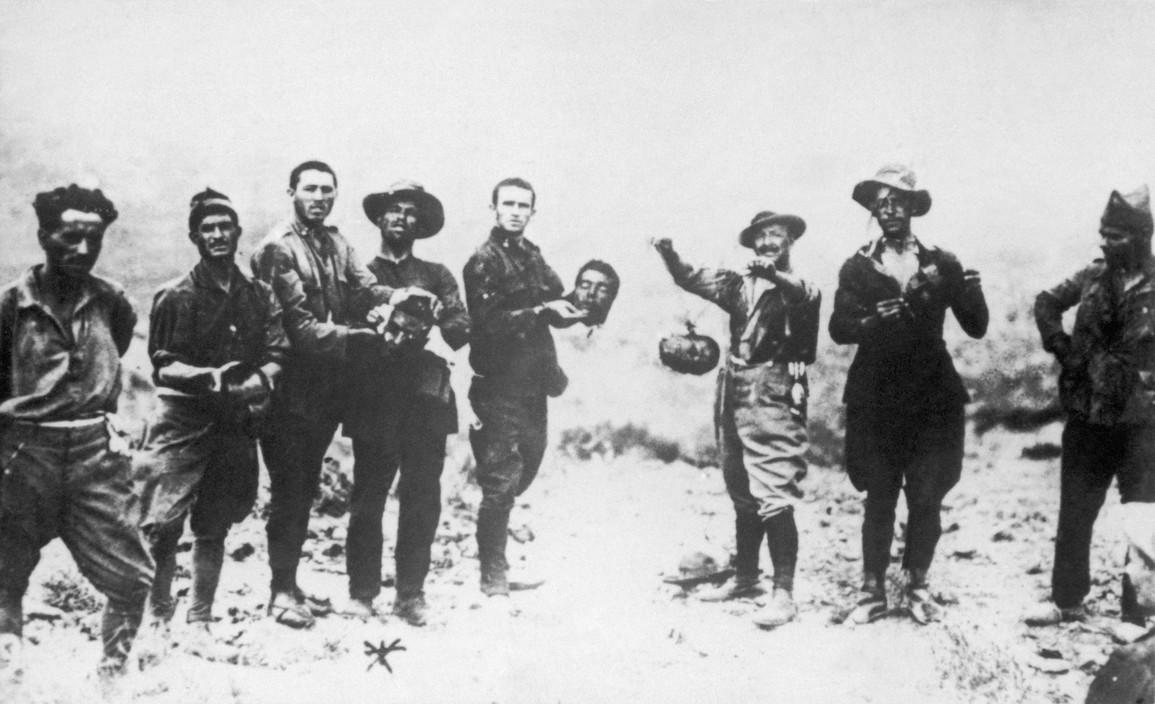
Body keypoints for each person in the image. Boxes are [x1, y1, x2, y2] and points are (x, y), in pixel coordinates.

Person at [251, 161, 418, 628]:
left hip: (324, 391)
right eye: (310, 189)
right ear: (291, 192)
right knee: (289, 490)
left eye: (327, 190)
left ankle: (291, 585)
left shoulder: (337, 243)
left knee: (304, 487)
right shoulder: (277, 249)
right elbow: (299, 328)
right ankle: (280, 591)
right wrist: (362, 336)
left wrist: (397, 297)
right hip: (288, 388)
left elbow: (366, 287)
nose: (319, 197)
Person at [0, 185, 153, 677]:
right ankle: (9, 673)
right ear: (44, 236)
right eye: (70, 237)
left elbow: (116, 348)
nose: (83, 249)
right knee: (5, 571)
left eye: (94, 239)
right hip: (25, 452)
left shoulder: (111, 301)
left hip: (94, 454)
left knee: (131, 577)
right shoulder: (10, 306)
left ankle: (110, 680)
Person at [829, 164, 988, 624]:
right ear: (873, 211)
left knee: (926, 494)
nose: (889, 209)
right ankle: (872, 591)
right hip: (876, 394)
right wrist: (871, 321)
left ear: (914, 207)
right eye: (880, 203)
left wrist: (972, 290)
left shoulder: (942, 263)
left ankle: (918, 585)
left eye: (898, 201)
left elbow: (976, 326)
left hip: (932, 395)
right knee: (879, 494)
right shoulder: (859, 266)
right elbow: (838, 328)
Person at [136, 188, 288, 655]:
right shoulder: (175, 296)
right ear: (195, 237)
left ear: (238, 234)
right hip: (183, 420)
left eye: (225, 227)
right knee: (162, 523)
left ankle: (200, 623)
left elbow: (278, 351)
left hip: (235, 421)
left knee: (214, 523)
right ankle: (157, 619)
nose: (218, 235)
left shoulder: (259, 294)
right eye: (208, 228)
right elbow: (163, 364)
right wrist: (211, 378)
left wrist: (256, 382)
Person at [654, 209, 821, 629]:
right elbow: (691, 277)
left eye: (775, 235)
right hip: (733, 390)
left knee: (774, 490)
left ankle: (784, 594)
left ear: (790, 241)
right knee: (741, 486)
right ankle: (746, 578)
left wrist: (774, 275)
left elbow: (801, 293)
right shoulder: (737, 285)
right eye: (760, 236)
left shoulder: (801, 288)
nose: (767, 243)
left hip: (776, 392)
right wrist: (669, 253)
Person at [1025, 185, 1155, 628]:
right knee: (1076, 511)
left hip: (1142, 421)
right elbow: (1046, 303)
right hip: (1089, 413)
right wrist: (1064, 349)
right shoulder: (1092, 275)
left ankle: (1136, 616)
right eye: (1103, 234)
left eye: (1116, 236)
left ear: (1142, 237)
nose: (1105, 243)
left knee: (1143, 517)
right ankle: (1066, 601)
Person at [341, 181, 470, 626]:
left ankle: (411, 594)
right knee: (368, 497)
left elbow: (460, 326)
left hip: (427, 400)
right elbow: (349, 322)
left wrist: (429, 319)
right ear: (379, 218)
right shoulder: (361, 273)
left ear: (421, 224)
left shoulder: (437, 274)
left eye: (411, 212)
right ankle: (362, 592)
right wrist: (381, 320)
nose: (401, 217)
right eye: (393, 209)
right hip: (375, 398)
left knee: (422, 497)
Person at [462, 177, 586, 603]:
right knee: (500, 482)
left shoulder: (532, 255)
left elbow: (559, 301)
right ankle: (492, 573)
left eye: (523, 206)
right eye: (508, 204)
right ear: (494, 208)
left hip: (534, 385)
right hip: (498, 386)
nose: (515, 212)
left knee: (526, 469)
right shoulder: (482, 261)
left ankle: (496, 555)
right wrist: (541, 311)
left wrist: (590, 301)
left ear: (533, 212)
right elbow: (487, 324)